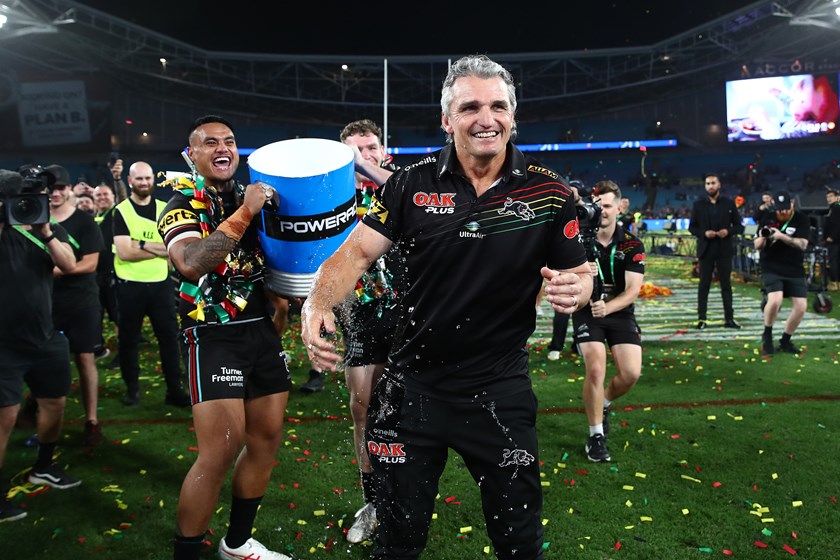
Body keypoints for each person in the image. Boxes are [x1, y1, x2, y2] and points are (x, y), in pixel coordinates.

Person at [301, 55, 592, 559]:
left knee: (519, 543)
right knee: (396, 542)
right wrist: (317, 303)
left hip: (499, 392)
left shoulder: (551, 193)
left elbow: (580, 272)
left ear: (513, 115)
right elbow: (354, 254)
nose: (487, 118)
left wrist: (577, 288)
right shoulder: (409, 184)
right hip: (411, 390)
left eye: (498, 106)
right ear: (447, 119)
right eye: (470, 106)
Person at [159, 116, 292, 560]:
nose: (223, 148)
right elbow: (192, 262)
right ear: (190, 154)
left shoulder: (248, 195)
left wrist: (282, 299)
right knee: (220, 450)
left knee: (266, 439)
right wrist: (247, 211)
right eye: (209, 142)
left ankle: (236, 544)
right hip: (212, 336)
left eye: (230, 141)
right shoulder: (179, 204)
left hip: (260, 332)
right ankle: (188, 554)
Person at [0, 168, 82, 523]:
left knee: (55, 404)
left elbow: (70, 263)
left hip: (45, 336)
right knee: (4, 419)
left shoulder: (42, 227)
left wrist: (45, 231)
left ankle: (44, 466)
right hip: (3, 344)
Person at [336, 118, 400, 543]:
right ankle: (374, 500)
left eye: (371, 147)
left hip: (406, 312)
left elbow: (402, 188)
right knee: (363, 408)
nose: (365, 155)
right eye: (355, 150)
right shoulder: (333, 196)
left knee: (407, 409)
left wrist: (364, 166)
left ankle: (404, 496)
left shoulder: (401, 184)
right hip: (357, 313)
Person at [572, 180, 645, 462]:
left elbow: (633, 291)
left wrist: (609, 306)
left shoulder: (631, 243)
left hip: (619, 312)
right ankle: (595, 435)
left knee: (630, 374)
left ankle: (603, 403)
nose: (601, 211)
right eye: (597, 205)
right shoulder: (576, 241)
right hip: (587, 311)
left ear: (619, 208)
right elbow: (561, 274)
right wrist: (581, 272)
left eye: (607, 206)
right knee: (596, 368)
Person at [113, 161, 190, 407]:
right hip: (130, 285)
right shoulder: (121, 210)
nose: (145, 183)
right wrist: (160, 249)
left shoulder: (164, 208)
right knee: (128, 340)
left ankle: (174, 390)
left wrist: (142, 244)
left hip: (160, 285)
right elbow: (125, 252)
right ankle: (132, 389)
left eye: (148, 178)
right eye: (139, 179)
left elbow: (174, 249)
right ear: (130, 181)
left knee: (169, 339)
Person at [46, 164, 106, 446]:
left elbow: (91, 264)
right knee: (43, 359)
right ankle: (38, 412)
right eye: (49, 189)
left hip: (81, 300)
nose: (54, 193)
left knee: (85, 359)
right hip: (45, 301)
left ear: (69, 189)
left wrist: (54, 270)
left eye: (59, 188)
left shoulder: (83, 221)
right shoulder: (34, 219)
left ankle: (91, 420)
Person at [754, 191, 811, 354]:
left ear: (792, 204)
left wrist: (781, 236)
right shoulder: (768, 217)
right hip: (771, 265)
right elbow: (756, 244)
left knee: (801, 306)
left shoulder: (801, 219)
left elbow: (803, 244)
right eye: (779, 210)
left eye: (785, 209)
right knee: (775, 300)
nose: (782, 213)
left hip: (794, 267)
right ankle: (767, 334)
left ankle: (785, 340)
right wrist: (764, 237)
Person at [689, 173, 744, 330]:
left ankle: (729, 319)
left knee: (726, 286)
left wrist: (728, 231)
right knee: (704, 285)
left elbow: (739, 226)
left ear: (719, 185)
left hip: (724, 249)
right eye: (707, 183)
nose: (710, 186)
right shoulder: (698, 204)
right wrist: (703, 233)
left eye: (713, 183)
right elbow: (691, 227)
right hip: (706, 250)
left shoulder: (728, 203)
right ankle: (702, 319)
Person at [93, 183, 119, 363]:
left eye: (105, 194)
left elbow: (123, 195)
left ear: (113, 197)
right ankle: (97, 347)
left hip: (114, 273)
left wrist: (117, 179)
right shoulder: (95, 217)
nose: (102, 198)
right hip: (95, 275)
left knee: (118, 316)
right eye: (98, 195)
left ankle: (122, 353)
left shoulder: (117, 213)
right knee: (97, 313)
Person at [824, 188, 839, 291]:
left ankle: (834, 283)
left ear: (837, 197)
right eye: (827, 197)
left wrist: (831, 237)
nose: (828, 199)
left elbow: (838, 225)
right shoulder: (833, 208)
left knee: (833, 261)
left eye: (831, 196)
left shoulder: (836, 208)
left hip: (835, 240)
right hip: (836, 239)